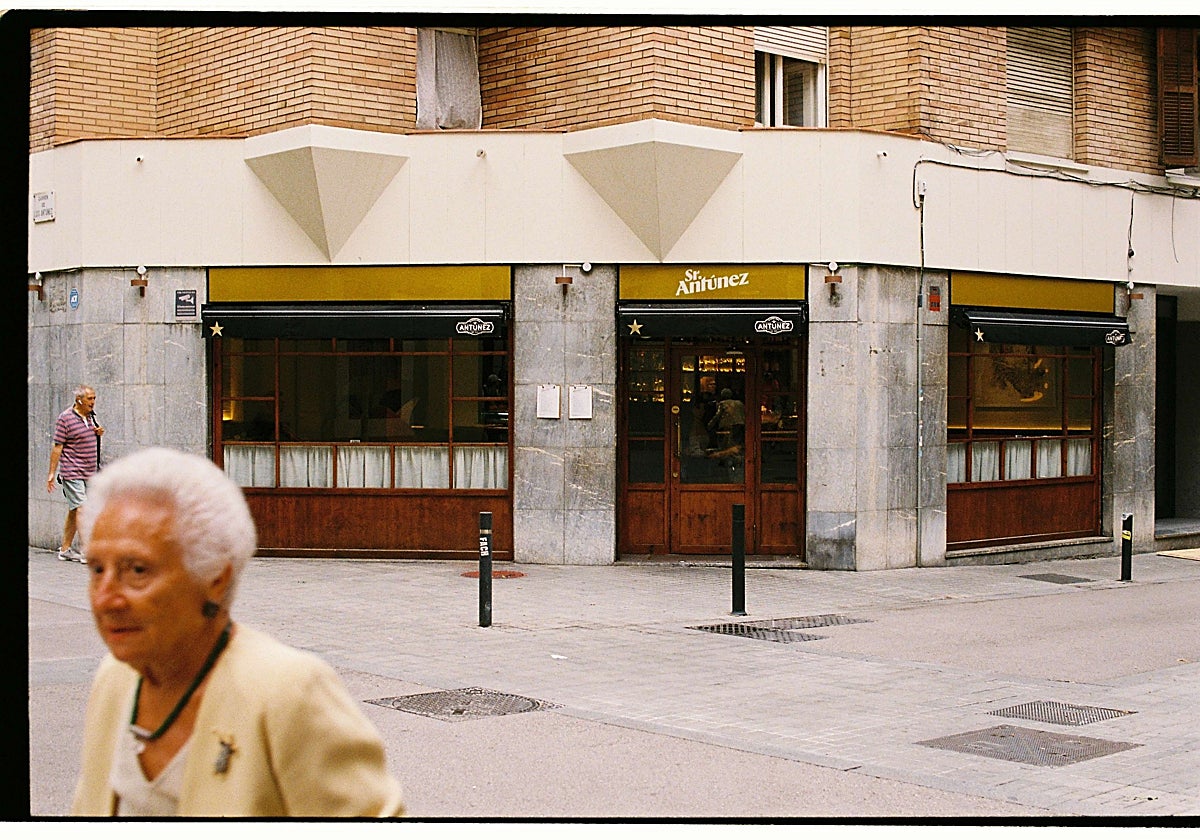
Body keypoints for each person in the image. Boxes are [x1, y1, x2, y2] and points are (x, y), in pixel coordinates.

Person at [73, 447, 405, 817]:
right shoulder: (114, 680)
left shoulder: (288, 693)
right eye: (97, 569)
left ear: (215, 577)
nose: (105, 600)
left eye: (137, 570)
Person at [46, 385, 104, 562]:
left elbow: (87, 436)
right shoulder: (65, 418)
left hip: (89, 471)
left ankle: (65, 550)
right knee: (83, 508)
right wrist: (51, 473)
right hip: (72, 471)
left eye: (94, 398)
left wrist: (98, 432)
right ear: (79, 400)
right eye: (90, 399)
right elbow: (58, 446)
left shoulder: (90, 417)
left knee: (74, 510)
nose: (93, 402)